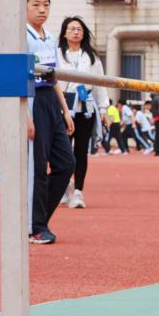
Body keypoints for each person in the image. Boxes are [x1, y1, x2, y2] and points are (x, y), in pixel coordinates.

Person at [25, 0, 75, 244]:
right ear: (23, 6)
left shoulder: (49, 37)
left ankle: (39, 219)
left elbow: (53, 77)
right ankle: (35, 226)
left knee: (66, 163)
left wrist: (65, 111)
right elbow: (18, 77)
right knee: (37, 166)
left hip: (51, 103)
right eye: (36, 4)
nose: (42, 9)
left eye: (46, 4)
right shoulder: (21, 36)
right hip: (31, 101)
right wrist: (26, 117)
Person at [57, 16, 109, 209]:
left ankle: (78, 191)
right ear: (64, 33)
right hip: (63, 104)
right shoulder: (57, 55)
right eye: (72, 29)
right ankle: (63, 186)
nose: (76, 32)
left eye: (79, 29)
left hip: (85, 106)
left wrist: (103, 108)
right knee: (62, 151)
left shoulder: (91, 57)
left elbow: (100, 83)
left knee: (81, 151)